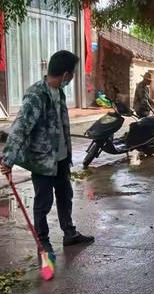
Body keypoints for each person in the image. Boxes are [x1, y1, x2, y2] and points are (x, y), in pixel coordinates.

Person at [0, 51, 94, 255]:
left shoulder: (58, 93)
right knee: (43, 202)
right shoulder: (36, 95)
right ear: (66, 75)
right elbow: (20, 128)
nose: (72, 78)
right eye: (72, 74)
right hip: (42, 161)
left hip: (60, 158)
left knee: (65, 195)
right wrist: (8, 159)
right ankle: (42, 242)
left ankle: (69, 233)